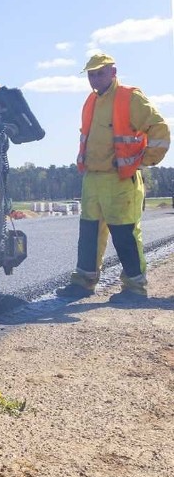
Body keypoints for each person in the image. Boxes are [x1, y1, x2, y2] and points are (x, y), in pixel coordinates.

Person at [57, 53, 170, 303]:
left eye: (100, 73)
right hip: (93, 179)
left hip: (120, 180)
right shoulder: (90, 102)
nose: (94, 78)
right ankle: (84, 282)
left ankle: (135, 288)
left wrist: (142, 161)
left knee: (125, 234)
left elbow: (160, 129)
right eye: (91, 74)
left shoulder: (130, 97)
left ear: (113, 72)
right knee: (89, 233)